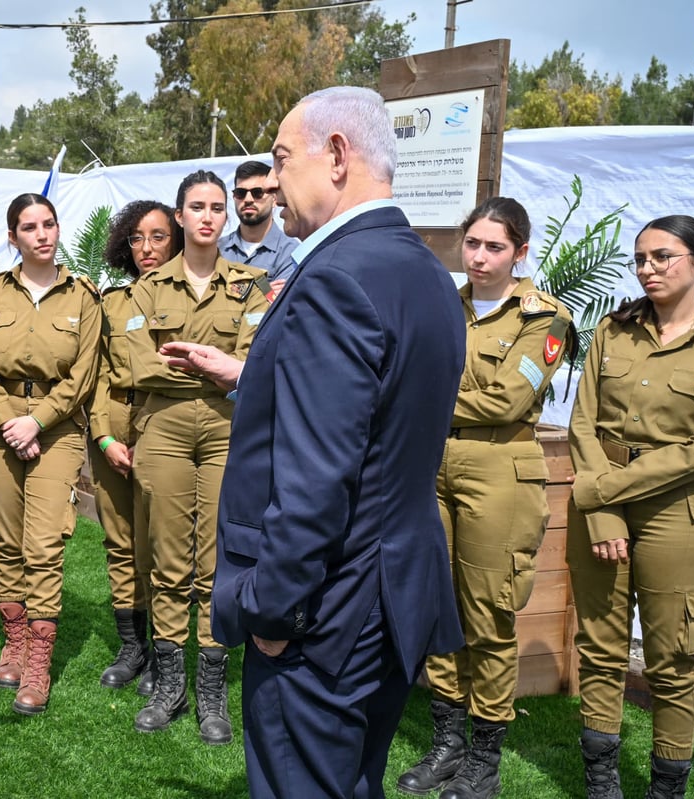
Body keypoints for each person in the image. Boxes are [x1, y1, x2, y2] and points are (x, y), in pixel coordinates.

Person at [192, 86, 464, 798]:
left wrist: (275, 614)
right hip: (390, 595)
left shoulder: (336, 277)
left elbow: (316, 478)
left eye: (282, 158)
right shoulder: (428, 272)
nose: (273, 180)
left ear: (337, 154)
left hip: (326, 612)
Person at [396, 197, 574, 799]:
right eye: (472, 244)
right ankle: (447, 743)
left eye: (494, 247)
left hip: (499, 471)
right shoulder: (446, 305)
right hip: (431, 464)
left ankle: (485, 756)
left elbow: (505, 402)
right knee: (437, 603)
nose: (479, 257)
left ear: (520, 252)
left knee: (488, 614)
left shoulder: (543, 319)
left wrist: (412, 399)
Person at [568, 215, 694, 799]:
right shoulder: (614, 330)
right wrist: (602, 512)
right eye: (640, 259)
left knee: (674, 662)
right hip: (602, 509)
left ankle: (666, 790)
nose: (647, 269)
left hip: (678, 515)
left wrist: (601, 492)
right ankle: (601, 786)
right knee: (601, 651)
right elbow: (584, 422)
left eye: (663, 257)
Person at [125, 170, 269, 745]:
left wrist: (211, 368)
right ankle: (168, 684)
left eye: (216, 207)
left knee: (216, 561)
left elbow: (259, 362)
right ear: (179, 217)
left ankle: (211, 693)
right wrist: (216, 367)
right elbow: (136, 364)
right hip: (161, 428)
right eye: (196, 207)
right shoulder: (145, 289)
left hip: (227, 430)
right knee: (167, 556)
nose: (207, 216)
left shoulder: (253, 286)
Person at [0, 193, 101, 715]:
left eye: (48, 224)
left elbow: (84, 372)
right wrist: (7, 419)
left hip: (57, 428)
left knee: (43, 541)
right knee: (5, 538)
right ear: (12, 236)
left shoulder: (83, 297)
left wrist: (37, 420)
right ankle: (15, 639)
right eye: (29, 227)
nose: (42, 234)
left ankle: (39, 658)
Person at [89, 200, 182, 694]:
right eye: (137, 239)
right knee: (120, 542)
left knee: (158, 545)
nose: (147, 248)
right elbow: (98, 375)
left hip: (164, 423)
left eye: (159, 237)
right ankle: (133, 646)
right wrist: (104, 436)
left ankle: (167, 654)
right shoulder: (112, 303)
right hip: (113, 423)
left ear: (177, 239)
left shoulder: (190, 298)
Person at [218, 160, 298, 295]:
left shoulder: (291, 252)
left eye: (257, 192)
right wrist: (264, 291)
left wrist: (227, 291)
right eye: (240, 193)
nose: (248, 199)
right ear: (234, 197)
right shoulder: (216, 249)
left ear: (274, 199)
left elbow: (278, 305)